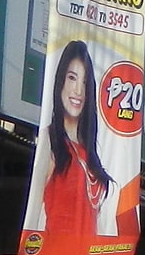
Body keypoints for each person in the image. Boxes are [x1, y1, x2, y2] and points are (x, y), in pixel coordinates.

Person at [32, 41, 116, 239]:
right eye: (72, 78)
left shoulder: (91, 153)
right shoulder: (50, 140)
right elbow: (33, 211)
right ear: (60, 81)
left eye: (85, 82)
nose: (78, 90)